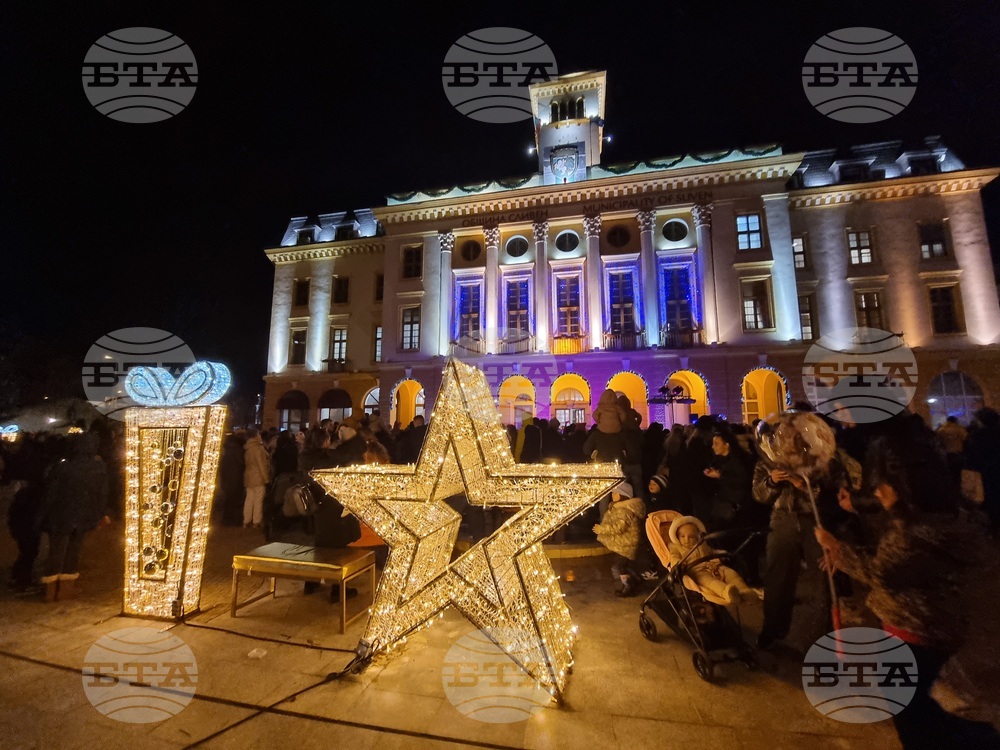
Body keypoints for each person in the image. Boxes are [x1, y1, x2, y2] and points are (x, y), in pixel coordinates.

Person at [815, 434, 1000, 749]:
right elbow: (888, 531)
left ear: (905, 484)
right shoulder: (948, 514)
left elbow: (882, 571)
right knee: (934, 711)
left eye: (882, 484)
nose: (876, 490)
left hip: (913, 633)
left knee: (916, 721)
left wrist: (837, 549)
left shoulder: (915, 534)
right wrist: (857, 509)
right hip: (941, 629)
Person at [39, 433, 110, 602]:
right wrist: (100, 514)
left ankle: (51, 591)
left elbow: (51, 493)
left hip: (60, 516)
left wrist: (42, 515)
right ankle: (66, 591)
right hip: (84, 517)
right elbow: (102, 494)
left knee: (56, 552)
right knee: (74, 552)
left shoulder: (63, 466)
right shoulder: (98, 468)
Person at [667, 515, 758, 605]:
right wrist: (678, 565)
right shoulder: (675, 547)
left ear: (697, 536)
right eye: (682, 536)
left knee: (731, 574)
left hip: (714, 566)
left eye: (691, 537)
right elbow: (674, 557)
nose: (686, 539)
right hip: (697, 572)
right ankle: (728, 593)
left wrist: (721, 554)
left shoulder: (701, 544)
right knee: (712, 583)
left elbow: (711, 551)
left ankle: (744, 591)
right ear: (676, 536)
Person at [592, 483, 646, 596]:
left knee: (617, 568)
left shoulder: (624, 510)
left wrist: (602, 529)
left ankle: (629, 586)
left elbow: (619, 527)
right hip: (624, 544)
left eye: (615, 493)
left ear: (622, 495)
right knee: (623, 567)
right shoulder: (617, 507)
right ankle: (634, 580)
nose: (612, 495)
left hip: (627, 545)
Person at [242, 428, 271, 528]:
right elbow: (261, 465)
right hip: (258, 477)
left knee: (249, 499)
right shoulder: (258, 448)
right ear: (255, 436)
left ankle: (246, 520)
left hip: (248, 476)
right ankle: (256, 520)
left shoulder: (247, 447)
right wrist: (266, 479)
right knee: (258, 499)